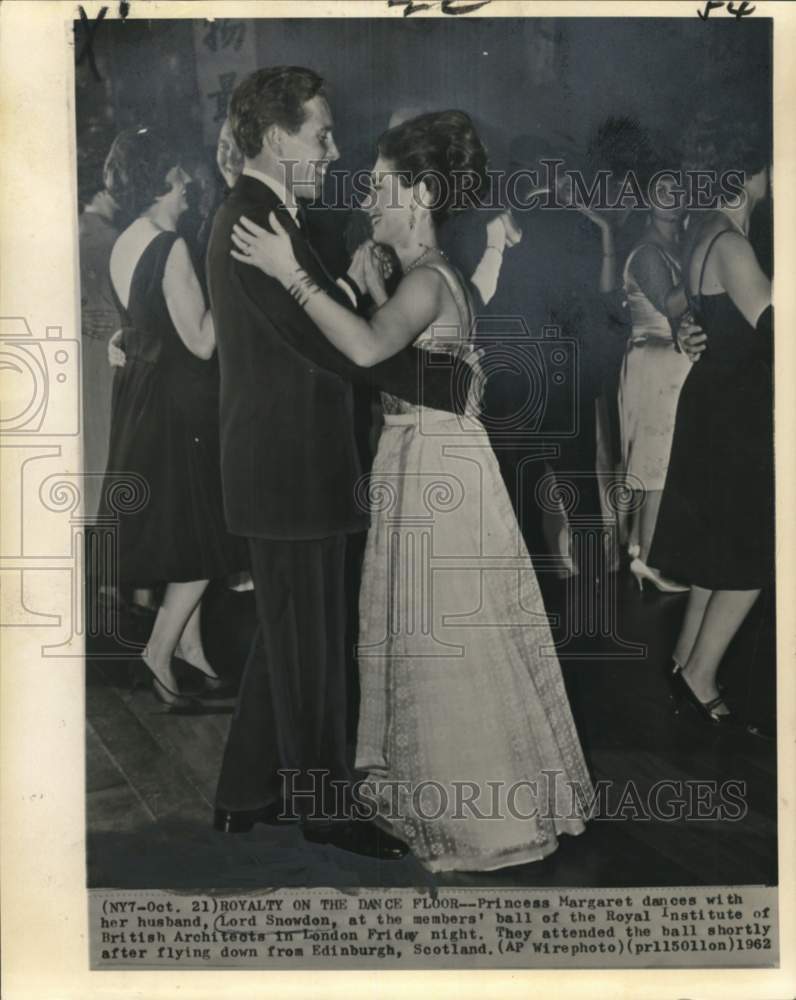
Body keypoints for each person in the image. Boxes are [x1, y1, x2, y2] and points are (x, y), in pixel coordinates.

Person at [232, 109, 592, 873]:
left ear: (421, 195)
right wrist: (362, 287)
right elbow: (401, 364)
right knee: (429, 640)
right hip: (424, 461)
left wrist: (287, 273)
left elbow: (365, 349)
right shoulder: (423, 279)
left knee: (445, 643)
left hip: (437, 477)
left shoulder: (429, 280)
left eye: (381, 188)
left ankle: (479, 817)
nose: (368, 202)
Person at [207, 68, 477, 861]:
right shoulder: (253, 222)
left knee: (287, 640)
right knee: (311, 649)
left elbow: (332, 330)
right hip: (289, 473)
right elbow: (338, 348)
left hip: (291, 470)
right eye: (321, 134)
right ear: (279, 135)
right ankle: (325, 810)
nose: (333, 149)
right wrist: (453, 380)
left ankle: (242, 794)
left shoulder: (271, 217)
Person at [102, 127, 247, 710]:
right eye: (183, 175)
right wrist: (236, 291)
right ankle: (159, 652)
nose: (190, 185)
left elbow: (141, 323)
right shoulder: (171, 245)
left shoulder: (127, 240)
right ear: (165, 180)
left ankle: (192, 652)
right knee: (205, 535)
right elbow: (204, 341)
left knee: (183, 533)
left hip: (143, 398)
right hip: (182, 403)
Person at [649, 112, 773, 725]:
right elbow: (776, 328)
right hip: (736, 412)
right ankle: (701, 675)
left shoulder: (708, 232)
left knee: (718, 550)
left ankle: (681, 662)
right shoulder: (733, 244)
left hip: (717, 402)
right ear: (751, 176)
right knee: (756, 553)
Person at [618, 170, 692, 592]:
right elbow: (671, 305)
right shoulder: (648, 251)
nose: (672, 194)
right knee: (656, 461)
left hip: (671, 360)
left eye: (678, 187)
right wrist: (705, 265)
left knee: (660, 459)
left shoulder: (673, 244)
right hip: (656, 360)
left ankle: (639, 549)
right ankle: (645, 557)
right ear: (647, 197)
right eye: (662, 187)